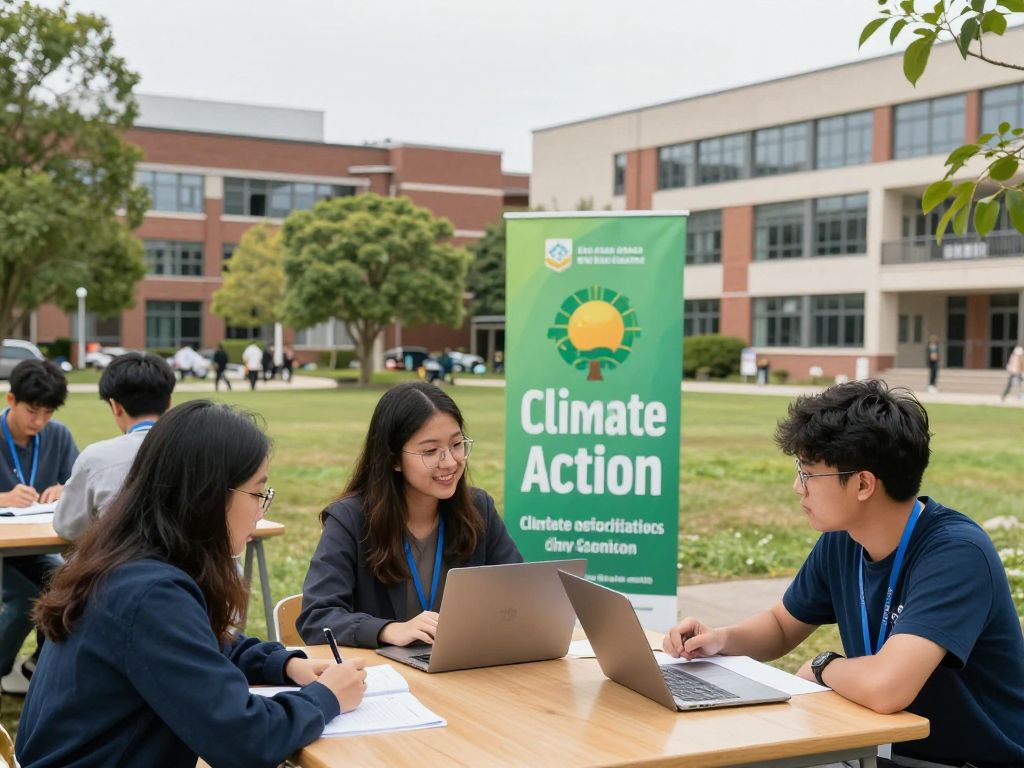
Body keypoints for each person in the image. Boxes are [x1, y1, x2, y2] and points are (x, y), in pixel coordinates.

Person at [662, 381, 1024, 767]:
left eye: (808, 473)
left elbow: (888, 688)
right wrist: (720, 640)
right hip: (878, 748)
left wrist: (822, 666)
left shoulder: (956, 554)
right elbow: (782, 625)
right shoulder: (846, 538)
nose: (797, 487)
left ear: (864, 484)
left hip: (967, 761)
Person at [17, 401, 367, 768]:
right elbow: (246, 739)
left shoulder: (127, 563)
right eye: (257, 493)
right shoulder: (150, 593)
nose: (261, 511)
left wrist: (281, 664)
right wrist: (327, 697)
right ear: (208, 496)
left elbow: (195, 647)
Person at [297, 381, 522, 648]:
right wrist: (388, 630)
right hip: (385, 680)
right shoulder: (350, 520)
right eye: (430, 451)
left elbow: (520, 596)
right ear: (393, 459)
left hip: (463, 674)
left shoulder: (478, 509)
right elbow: (316, 617)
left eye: (457, 444)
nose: (450, 461)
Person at [0, 360, 78, 695]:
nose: (39, 422)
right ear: (10, 400)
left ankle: (38, 667)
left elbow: (78, 481)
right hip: (5, 547)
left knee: (72, 587)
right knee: (27, 595)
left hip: (37, 544)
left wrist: (66, 488)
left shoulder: (58, 435)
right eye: (32, 411)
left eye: (48, 413)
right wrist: (3, 498)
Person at [53, 352, 175, 542]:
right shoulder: (205, 451)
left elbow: (68, 528)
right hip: (195, 569)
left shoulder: (96, 458)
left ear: (115, 406)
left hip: (123, 568)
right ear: (169, 402)